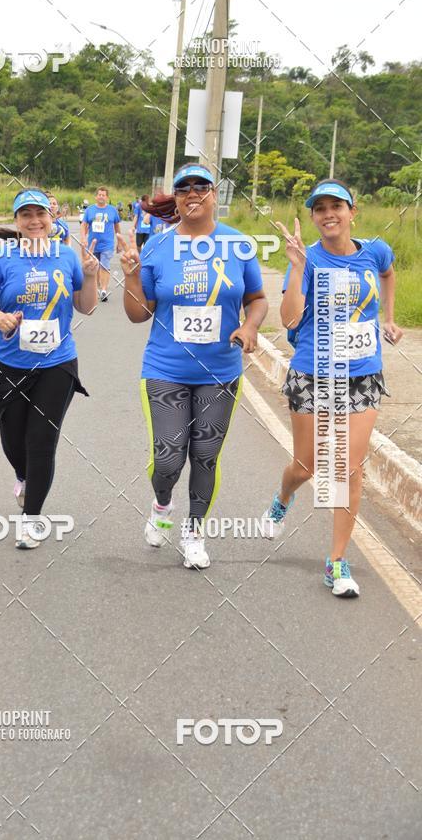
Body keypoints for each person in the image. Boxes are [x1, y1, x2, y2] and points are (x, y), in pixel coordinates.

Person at [120, 164, 268, 569]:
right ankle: (162, 505)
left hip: (219, 372)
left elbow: (257, 297)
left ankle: (195, 532)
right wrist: (132, 276)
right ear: (178, 197)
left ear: (214, 194)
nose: (192, 193)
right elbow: (138, 314)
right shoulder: (157, 247)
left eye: (201, 186)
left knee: (205, 456)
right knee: (168, 459)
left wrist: (250, 326)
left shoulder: (238, 245)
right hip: (166, 368)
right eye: (183, 188)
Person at [261, 178, 403, 598]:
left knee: (347, 469)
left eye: (335, 206)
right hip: (312, 374)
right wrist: (299, 267)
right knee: (306, 467)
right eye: (319, 208)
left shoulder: (374, 250)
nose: (328, 214)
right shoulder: (306, 260)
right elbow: (288, 319)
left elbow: (389, 272)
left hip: (362, 375)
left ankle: (336, 562)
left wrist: (389, 318)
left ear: (352, 211)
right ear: (313, 217)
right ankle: (283, 497)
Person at [0, 188, 98, 550]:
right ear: (17, 222)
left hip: (57, 364)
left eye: (40, 214)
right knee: (14, 441)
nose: (34, 221)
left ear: (50, 217)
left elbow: (86, 306)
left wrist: (89, 276)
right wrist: (0, 318)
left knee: (41, 442)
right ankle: (22, 477)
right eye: (26, 215)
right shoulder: (2, 258)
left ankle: (31, 520)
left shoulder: (66, 256)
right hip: (8, 363)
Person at [80, 186, 123, 302]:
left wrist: (119, 242)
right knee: (95, 266)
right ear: (96, 196)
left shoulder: (112, 210)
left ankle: (104, 290)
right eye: (99, 194)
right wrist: (83, 238)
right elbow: (83, 225)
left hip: (107, 245)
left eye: (103, 195)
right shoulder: (90, 210)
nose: (101, 197)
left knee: (105, 265)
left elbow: (117, 226)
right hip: (93, 244)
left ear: (107, 197)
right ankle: (98, 287)